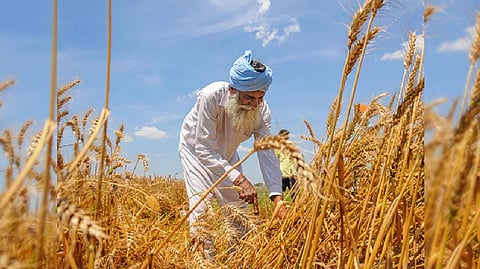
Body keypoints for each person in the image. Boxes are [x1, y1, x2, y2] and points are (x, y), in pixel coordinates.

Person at [178, 50, 287, 245]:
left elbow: (266, 151)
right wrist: (239, 178)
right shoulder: (211, 96)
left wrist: (277, 198)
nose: (255, 104)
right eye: (249, 98)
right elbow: (204, 148)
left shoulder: (262, 111)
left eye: (260, 97)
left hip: (227, 156)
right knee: (201, 212)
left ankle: (237, 261)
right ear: (233, 90)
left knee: (240, 215)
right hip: (196, 152)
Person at [275, 129, 297, 199]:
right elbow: (275, 159)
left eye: (287, 135)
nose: (287, 136)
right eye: (285, 135)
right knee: (280, 194)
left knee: (294, 195)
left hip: (292, 174)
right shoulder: (278, 147)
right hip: (283, 174)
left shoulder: (291, 145)